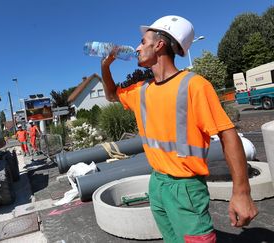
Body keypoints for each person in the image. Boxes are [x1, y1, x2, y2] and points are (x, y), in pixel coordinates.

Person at [100, 15, 258, 243]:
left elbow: (228, 134)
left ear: (159, 44)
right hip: (157, 183)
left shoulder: (194, 85)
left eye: (143, 42)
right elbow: (112, 94)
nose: (137, 48)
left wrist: (242, 193)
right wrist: (105, 66)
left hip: (186, 187)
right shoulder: (142, 90)